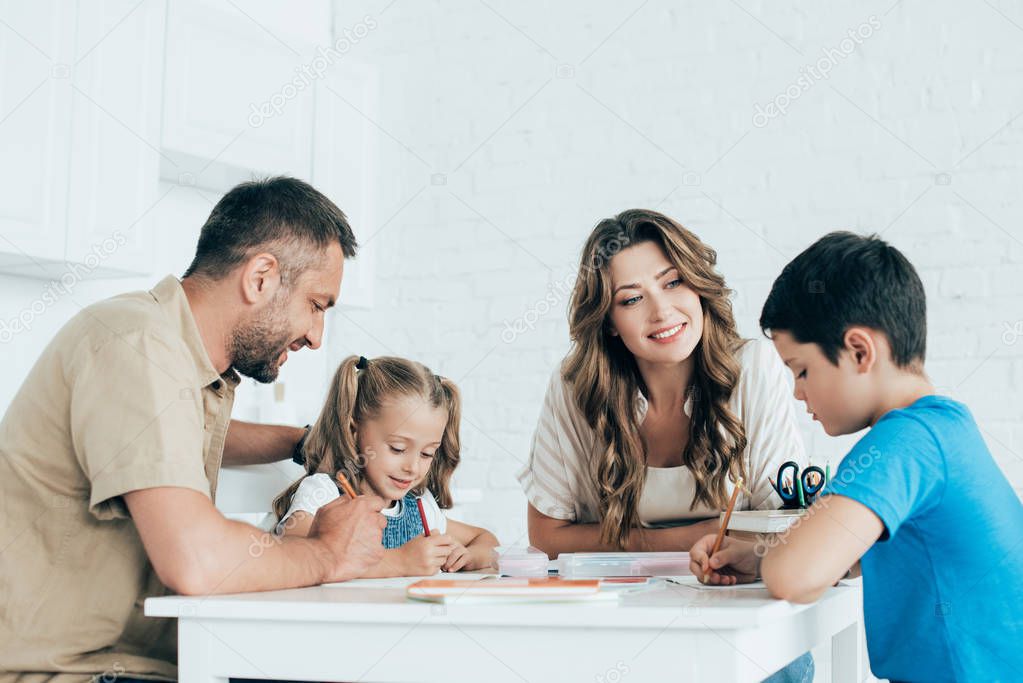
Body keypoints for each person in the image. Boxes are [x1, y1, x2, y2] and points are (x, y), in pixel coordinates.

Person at [0, 177, 386, 681]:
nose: (316, 337)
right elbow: (195, 560)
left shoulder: (175, 355)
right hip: (72, 673)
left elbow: (173, 437)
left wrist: (302, 443)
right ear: (261, 277)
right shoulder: (137, 344)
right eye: (316, 305)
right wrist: (325, 554)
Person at [690, 231, 1023, 682]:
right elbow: (858, 553)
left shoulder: (905, 440)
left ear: (859, 351)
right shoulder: (945, 428)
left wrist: (777, 559)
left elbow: (796, 575)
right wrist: (755, 555)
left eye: (801, 370)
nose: (797, 392)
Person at [518, 209, 813, 683]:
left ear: (697, 284)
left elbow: (785, 526)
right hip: (622, 619)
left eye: (673, 283)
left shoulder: (753, 369)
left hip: (734, 614)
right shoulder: (577, 386)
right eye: (631, 299)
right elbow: (548, 535)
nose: (661, 312)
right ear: (610, 321)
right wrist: (690, 536)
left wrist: (621, 542)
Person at [274, 355, 499, 575]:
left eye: (427, 453)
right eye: (398, 448)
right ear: (354, 432)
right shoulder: (325, 494)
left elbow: (487, 540)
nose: (412, 467)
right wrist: (399, 562)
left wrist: (469, 557)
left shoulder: (420, 507)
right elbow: (292, 551)